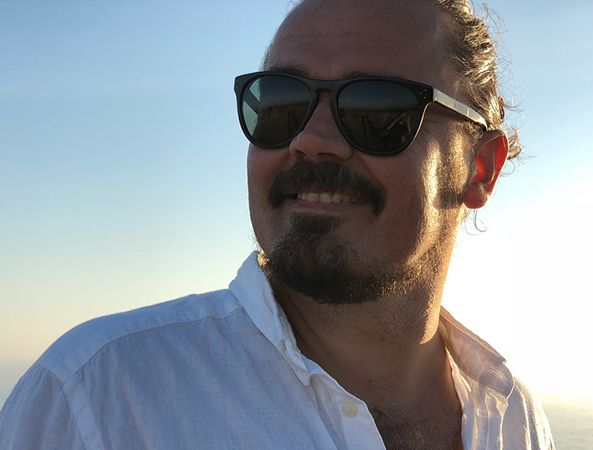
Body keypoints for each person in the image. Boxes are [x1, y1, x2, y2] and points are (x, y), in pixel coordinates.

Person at [0, 0, 555, 448]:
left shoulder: (514, 421)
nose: (308, 139)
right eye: (281, 104)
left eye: (377, 110)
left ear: (480, 169)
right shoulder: (96, 401)